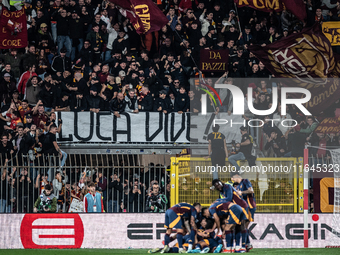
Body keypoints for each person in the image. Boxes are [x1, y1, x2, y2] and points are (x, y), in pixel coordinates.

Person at [232, 173, 256, 252]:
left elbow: (251, 191)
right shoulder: (238, 186)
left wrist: (241, 193)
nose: (232, 180)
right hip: (244, 207)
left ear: (236, 176)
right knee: (241, 226)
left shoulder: (245, 181)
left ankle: (244, 245)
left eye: (232, 178)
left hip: (249, 206)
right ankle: (247, 244)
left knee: (243, 226)